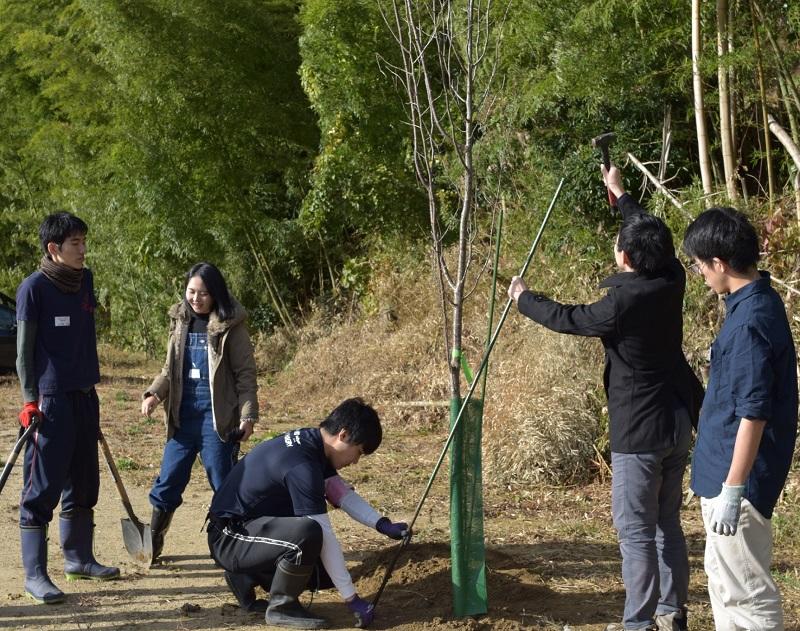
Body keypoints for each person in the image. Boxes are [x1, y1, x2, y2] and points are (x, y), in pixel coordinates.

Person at [507, 165, 704, 631]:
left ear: (625, 258)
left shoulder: (621, 303)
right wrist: (619, 193)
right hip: (677, 421)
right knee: (666, 524)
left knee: (635, 530)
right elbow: (646, 231)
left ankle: (639, 624)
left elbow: (569, 318)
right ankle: (671, 612)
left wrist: (523, 298)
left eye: (620, 243)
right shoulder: (673, 274)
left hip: (640, 430)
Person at [683, 208, 797, 631]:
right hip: (723, 473)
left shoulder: (751, 321)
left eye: (700, 266)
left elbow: (754, 412)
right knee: (726, 586)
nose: (700, 275)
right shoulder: (750, 304)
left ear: (720, 263)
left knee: (748, 596)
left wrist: (733, 488)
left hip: (739, 483)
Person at [207, 398, 409, 628]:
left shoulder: (312, 442)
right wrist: (352, 599)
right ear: (343, 435)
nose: (355, 461)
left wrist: (381, 524)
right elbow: (323, 534)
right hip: (229, 537)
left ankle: (246, 575)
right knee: (308, 534)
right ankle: (281, 608)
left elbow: (339, 491)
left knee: (320, 575)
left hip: (248, 530)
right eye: (359, 452)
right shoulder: (302, 465)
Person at [15, 212, 120, 604]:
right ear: (53, 249)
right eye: (75, 244)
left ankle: (78, 559)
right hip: (49, 400)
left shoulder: (85, 281)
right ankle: (35, 574)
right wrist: (28, 400)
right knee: (41, 486)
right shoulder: (33, 289)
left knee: (84, 480)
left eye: (83, 242)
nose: (83, 250)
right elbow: (24, 354)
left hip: (84, 395)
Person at [142, 261, 259, 563]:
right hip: (183, 419)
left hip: (216, 421)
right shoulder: (180, 320)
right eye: (191, 292)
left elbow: (246, 375)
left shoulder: (231, 327)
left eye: (204, 293)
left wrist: (248, 417)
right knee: (168, 481)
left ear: (216, 294)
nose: (196, 299)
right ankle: (152, 543)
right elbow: (170, 369)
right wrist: (155, 393)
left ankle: (234, 547)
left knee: (224, 483)